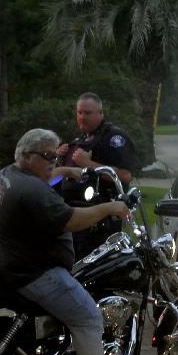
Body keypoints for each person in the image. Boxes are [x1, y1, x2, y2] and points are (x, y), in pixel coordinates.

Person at [0, 128, 134, 355]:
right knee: (88, 317)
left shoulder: (6, 176)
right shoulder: (33, 190)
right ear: (27, 156)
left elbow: (43, 180)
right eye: (48, 156)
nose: (53, 161)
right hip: (32, 272)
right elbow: (71, 220)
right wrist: (109, 208)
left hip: (4, 263)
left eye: (56, 156)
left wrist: (65, 171)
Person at [56, 92, 137, 259]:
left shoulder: (114, 138)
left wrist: (87, 163)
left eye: (87, 113)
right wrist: (57, 158)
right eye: (79, 112)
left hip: (100, 222)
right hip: (74, 218)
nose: (82, 117)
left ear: (100, 113)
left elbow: (125, 175)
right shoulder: (80, 140)